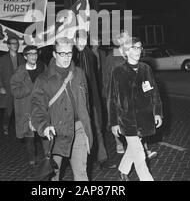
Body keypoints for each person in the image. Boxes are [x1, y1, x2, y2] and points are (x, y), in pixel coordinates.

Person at [31, 37, 93, 181]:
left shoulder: (79, 74)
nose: (66, 57)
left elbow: (86, 102)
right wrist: (43, 126)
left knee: (81, 172)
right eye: (62, 54)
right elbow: (37, 107)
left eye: (69, 53)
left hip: (78, 128)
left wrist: (87, 124)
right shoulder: (43, 79)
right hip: (56, 132)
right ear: (54, 54)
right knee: (54, 175)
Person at [108, 37, 163, 181]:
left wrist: (157, 112)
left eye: (139, 47)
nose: (138, 51)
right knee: (139, 152)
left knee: (134, 147)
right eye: (134, 47)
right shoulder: (118, 71)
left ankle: (123, 170)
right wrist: (113, 123)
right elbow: (112, 99)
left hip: (144, 118)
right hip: (127, 119)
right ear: (126, 51)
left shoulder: (146, 68)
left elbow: (154, 92)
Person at [74, 31, 116, 170]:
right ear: (75, 40)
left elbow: (93, 78)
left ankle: (102, 159)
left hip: (91, 99)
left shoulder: (90, 55)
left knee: (97, 129)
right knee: (79, 133)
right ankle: (79, 163)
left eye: (84, 39)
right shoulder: (71, 55)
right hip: (77, 102)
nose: (82, 42)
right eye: (79, 39)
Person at [10, 45, 46, 167]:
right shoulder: (19, 72)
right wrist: (29, 88)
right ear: (25, 56)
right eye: (30, 54)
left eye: (35, 54)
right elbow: (15, 91)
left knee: (44, 132)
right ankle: (32, 157)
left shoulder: (42, 67)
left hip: (41, 106)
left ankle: (48, 155)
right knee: (29, 135)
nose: (33, 56)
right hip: (27, 108)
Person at [0, 37, 25, 135]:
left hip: (19, 88)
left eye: (16, 43)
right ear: (8, 45)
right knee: (8, 111)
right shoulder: (2, 59)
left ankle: (20, 128)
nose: (15, 45)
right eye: (13, 43)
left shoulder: (21, 58)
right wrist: (0, 87)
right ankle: (5, 125)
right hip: (8, 88)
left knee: (20, 110)